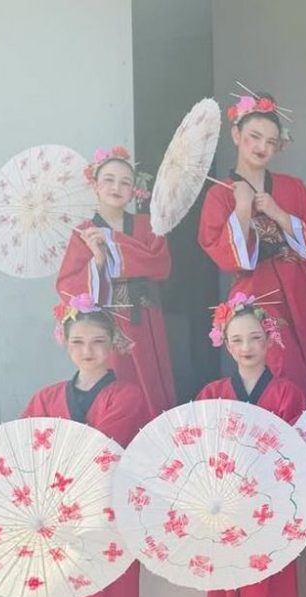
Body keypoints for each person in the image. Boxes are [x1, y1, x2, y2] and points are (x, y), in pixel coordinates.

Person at [21, 295, 149, 597]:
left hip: (105, 522)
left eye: (97, 342)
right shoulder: (45, 397)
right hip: (55, 524)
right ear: (65, 342)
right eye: (78, 342)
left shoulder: (128, 396)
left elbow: (97, 452)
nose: (88, 351)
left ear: (114, 344)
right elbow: (28, 453)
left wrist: (57, 458)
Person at [195, 294, 306, 597]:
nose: (247, 347)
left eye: (256, 338)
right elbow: (198, 453)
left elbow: (293, 457)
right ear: (225, 343)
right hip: (224, 516)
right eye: (237, 339)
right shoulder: (211, 395)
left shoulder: (288, 393)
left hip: (270, 515)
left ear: (269, 340)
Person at [199, 93, 306, 401]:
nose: (262, 147)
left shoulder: (292, 187)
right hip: (255, 291)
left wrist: (278, 213)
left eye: (271, 142)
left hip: (297, 287)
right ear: (236, 135)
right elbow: (222, 253)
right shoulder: (220, 194)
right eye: (254, 137)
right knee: (278, 364)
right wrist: (242, 208)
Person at [58, 146, 175, 415]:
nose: (116, 187)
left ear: (134, 190)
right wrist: (98, 259)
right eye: (108, 180)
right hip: (108, 321)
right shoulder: (83, 233)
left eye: (125, 182)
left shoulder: (148, 225)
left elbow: (159, 264)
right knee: (114, 378)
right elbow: (68, 285)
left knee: (151, 381)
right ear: (95, 186)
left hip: (146, 318)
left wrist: (111, 243)